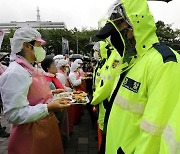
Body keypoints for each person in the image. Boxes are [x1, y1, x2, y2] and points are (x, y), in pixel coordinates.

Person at [96, 1, 180, 154]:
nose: (114, 36)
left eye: (117, 28)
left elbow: (155, 132)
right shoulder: (129, 61)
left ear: (134, 25)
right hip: (113, 144)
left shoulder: (164, 63)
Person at [0, 27, 70, 154]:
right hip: (30, 137)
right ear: (27, 46)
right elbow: (13, 114)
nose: (42, 50)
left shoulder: (31, 67)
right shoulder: (15, 73)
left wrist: (50, 93)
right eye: (39, 45)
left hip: (45, 129)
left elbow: (31, 94)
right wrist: (48, 108)